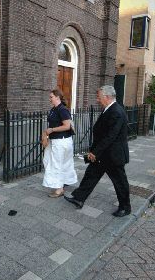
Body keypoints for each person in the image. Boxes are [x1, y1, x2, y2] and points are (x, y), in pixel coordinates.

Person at [64, 85, 131, 217]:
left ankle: (125, 207)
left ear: (107, 97)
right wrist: (95, 151)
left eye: (99, 97)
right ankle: (79, 198)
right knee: (91, 175)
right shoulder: (109, 109)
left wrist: (94, 152)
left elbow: (110, 136)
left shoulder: (116, 111)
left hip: (113, 156)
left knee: (120, 182)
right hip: (103, 154)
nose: (97, 100)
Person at [41, 89, 77, 197]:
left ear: (57, 97)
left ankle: (59, 189)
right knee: (48, 161)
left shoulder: (62, 110)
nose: (49, 99)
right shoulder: (54, 109)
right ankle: (61, 182)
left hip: (61, 141)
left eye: (51, 97)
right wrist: (46, 135)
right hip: (54, 141)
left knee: (56, 164)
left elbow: (67, 126)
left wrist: (51, 130)